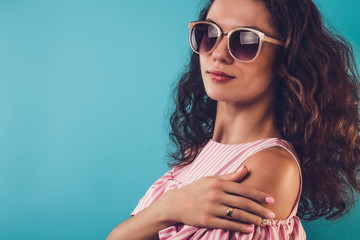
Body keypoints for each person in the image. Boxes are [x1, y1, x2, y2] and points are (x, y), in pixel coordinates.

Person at [107, 0, 360, 239]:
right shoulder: (196, 154)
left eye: (246, 40)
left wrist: (160, 215)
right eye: (209, 34)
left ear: (286, 58)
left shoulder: (269, 167)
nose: (218, 54)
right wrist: (169, 207)